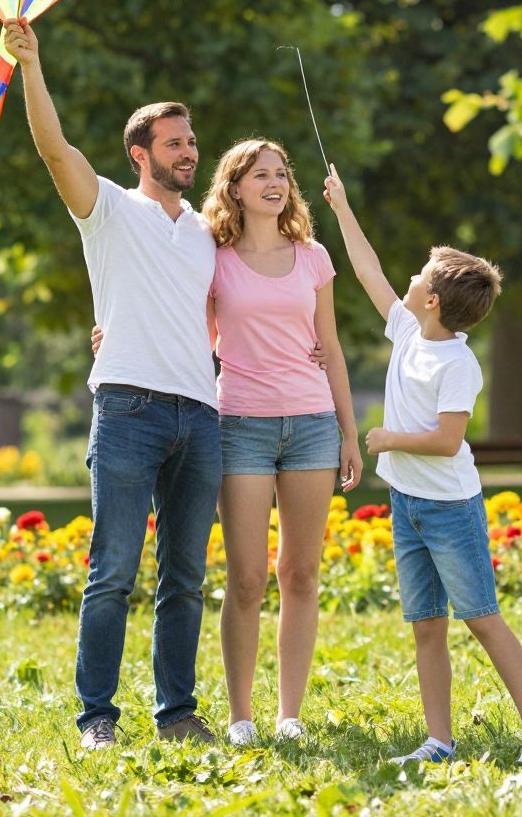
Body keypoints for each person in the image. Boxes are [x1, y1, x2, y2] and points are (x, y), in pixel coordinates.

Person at [3, 18, 223, 751]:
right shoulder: (106, 209)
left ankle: (177, 713)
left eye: (192, 142)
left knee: (185, 577)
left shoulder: (206, 232)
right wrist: (30, 64)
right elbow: (50, 147)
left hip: (201, 413)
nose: (189, 152)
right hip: (127, 409)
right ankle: (97, 715)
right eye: (174, 142)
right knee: (113, 572)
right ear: (141, 154)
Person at [321, 164, 522, 765]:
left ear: (431, 300)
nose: (406, 278)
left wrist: (386, 439)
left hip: (450, 509)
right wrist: (342, 207)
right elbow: (368, 270)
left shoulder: (458, 365)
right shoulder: (407, 330)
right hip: (409, 505)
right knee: (426, 624)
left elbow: (448, 441)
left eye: (420, 276)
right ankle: (439, 740)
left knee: (481, 618)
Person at [202, 139, 361, 747]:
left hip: (313, 425)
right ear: (235, 187)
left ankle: (288, 713)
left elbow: (333, 348)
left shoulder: (313, 256)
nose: (274, 183)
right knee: (245, 578)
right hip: (239, 423)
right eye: (259, 174)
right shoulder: (214, 260)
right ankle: (240, 716)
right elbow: (195, 339)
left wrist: (349, 432)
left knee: (299, 572)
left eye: (281, 174)